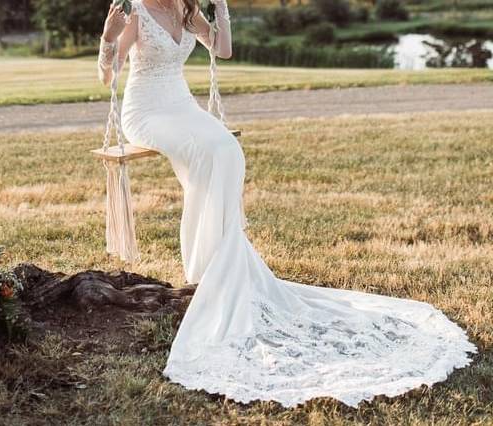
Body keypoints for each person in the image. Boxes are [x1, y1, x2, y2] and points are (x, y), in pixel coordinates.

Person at [97, 0, 477, 408]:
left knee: (227, 150)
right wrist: (107, 38)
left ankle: (215, 260)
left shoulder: (187, 9)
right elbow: (109, 75)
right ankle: (205, 268)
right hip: (148, 112)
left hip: (184, 106)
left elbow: (221, 50)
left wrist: (222, 9)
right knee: (208, 152)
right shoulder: (134, 9)